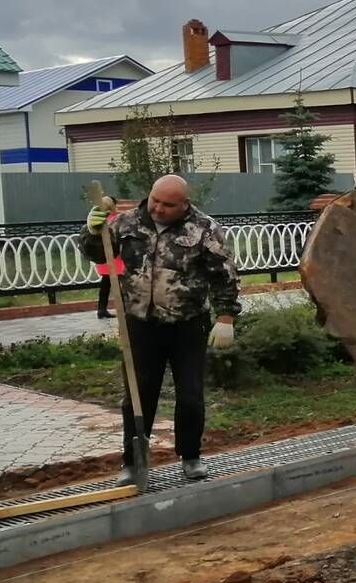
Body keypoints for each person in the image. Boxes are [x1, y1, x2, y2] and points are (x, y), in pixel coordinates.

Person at [81, 175, 240, 483]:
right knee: (138, 395)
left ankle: (190, 456)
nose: (158, 208)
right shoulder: (127, 223)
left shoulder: (204, 229)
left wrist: (226, 318)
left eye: (168, 205)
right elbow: (98, 253)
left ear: (184, 204)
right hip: (140, 323)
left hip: (188, 323)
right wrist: (91, 230)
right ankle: (133, 461)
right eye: (155, 200)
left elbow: (224, 274)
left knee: (190, 394)